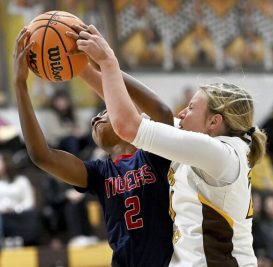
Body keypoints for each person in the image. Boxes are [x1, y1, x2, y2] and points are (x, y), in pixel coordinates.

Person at [77, 24, 268, 266]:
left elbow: (126, 125)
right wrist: (80, 66)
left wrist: (108, 62)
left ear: (213, 121)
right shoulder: (204, 144)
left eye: (191, 107)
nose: (182, 112)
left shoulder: (218, 154)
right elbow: (125, 108)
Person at [14, 27, 173, 266]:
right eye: (96, 115)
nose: (94, 119)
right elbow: (41, 156)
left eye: (104, 112)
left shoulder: (155, 155)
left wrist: (104, 63)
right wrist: (20, 86)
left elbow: (161, 112)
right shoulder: (99, 173)